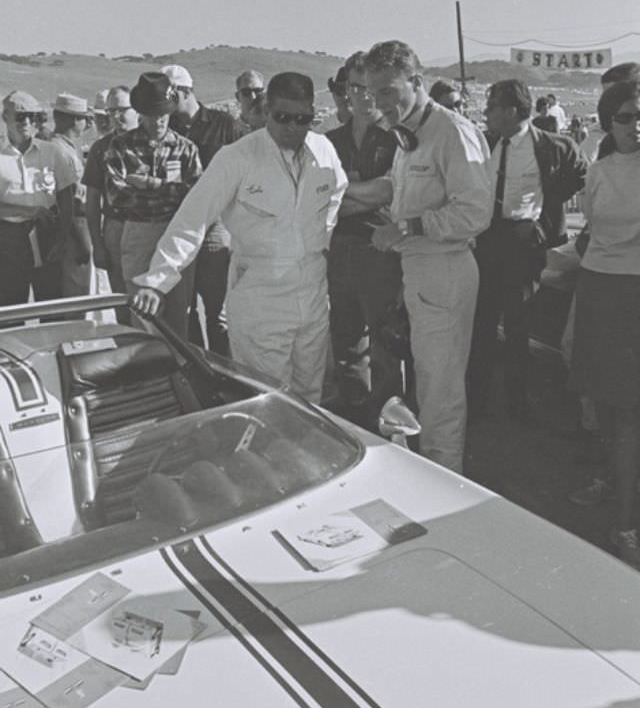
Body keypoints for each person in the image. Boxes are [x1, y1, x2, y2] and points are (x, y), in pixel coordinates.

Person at [132, 72, 347, 403]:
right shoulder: (238, 158)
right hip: (261, 299)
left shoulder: (323, 150)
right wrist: (157, 280)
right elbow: (193, 218)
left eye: (302, 119)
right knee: (269, 400)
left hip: (313, 294)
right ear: (267, 110)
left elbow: (336, 194)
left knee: (309, 397)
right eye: (283, 117)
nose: (292, 126)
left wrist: (324, 243)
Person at [364, 41, 491, 474]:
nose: (379, 103)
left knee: (440, 392)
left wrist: (406, 228)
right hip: (419, 270)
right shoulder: (409, 135)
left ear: (416, 82)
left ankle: (447, 482)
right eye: (372, 93)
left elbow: (475, 211)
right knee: (429, 382)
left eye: (386, 91)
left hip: (446, 269)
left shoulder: (451, 131)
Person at [467, 79, 587, 422]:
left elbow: (579, 176)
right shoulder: (483, 143)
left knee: (519, 322)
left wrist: (547, 208)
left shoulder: (550, 146)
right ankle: (478, 399)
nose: (486, 114)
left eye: (491, 108)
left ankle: (516, 402)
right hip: (485, 238)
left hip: (522, 241)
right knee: (482, 323)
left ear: (511, 111)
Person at [568, 81, 640, 566]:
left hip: (633, 292)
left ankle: (626, 522)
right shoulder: (597, 171)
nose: (636, 125)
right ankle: (617, 498)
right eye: (626, 117)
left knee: (630, 412)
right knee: (610, 408)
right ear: (607, 122)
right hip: (600, 290)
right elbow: (590, 234)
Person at [325, 51, 403, 429]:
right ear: (346, 91)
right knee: (347, 342)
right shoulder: (329, 142)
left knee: (386, 344)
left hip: (380, 251)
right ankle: (355, 421)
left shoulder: (395, 138)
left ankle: (388, 423)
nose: (364, 96)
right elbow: (320, 199)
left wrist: (343, 197)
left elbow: (389, 190)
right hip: (338, 252)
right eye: (356, 88)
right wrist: (360, 194)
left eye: (370, 87)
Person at [104, 72, 201, 338]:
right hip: (138, 231)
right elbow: (118, 195)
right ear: (140, 112)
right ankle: (150, 376)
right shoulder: (120, 147)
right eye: (151, 113)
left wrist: (148, 184)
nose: (158, 120)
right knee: (143, 318)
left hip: (177, 233)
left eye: (163, 113)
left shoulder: (186, 149)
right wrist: (172, 191)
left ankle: (178, 377)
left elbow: (195, 196)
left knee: (179, 316)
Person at [163, 63, 244, 354]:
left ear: (183, 92)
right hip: (180, 225)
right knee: (184, 311)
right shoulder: (165, 128)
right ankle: (197, 371)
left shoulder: (225, 125)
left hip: (216, 225)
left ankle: (226, 370)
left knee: (217, 308)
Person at [0, 91, 75, 307]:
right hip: (9, 238)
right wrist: (29, 212)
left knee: (51, 301)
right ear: (5, 117)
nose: (26, 122)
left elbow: (65, 197)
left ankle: (54, 341)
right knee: (11, 304)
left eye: (31, 117)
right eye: (19, 116)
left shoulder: (51, 152)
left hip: (47, 233)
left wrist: (62, 237)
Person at [84, 86, 138, 318]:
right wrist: (97, 244)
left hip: (150, 225)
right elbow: (93, 200)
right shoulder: (100, 149)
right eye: (111, 111)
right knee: (122, 300)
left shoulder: (156, 142)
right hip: (115, 226)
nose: (116, 117)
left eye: (122, 110)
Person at [50, 93, 94, 297]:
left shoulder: (57, 147)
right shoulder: (64, 153)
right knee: (76, 290)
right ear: (76, 120)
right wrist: (83, 242)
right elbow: (71, 199)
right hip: (74, 227)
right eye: (84, 118)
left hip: (65, 227)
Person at [235, 70, 267, 135]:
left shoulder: (273, 128)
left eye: (258, 91)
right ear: (238, 97)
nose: (253, 97)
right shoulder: (232, 130)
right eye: (246, 92)